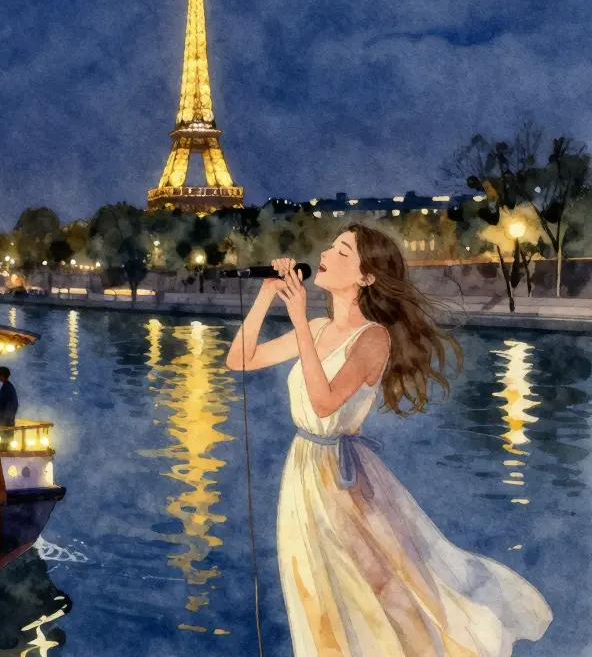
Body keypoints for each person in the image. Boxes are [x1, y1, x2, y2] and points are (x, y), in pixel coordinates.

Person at [224, 224, 552, 656]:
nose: (326, 251)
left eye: (343, 250)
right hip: (302, 473)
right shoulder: (320, 327)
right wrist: (267, 293)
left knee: (366, 592)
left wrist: (299, 319)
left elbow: (324, 404)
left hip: (340, 483)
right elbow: (239, 359)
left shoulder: (372, 338)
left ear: (366, 277)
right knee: (312, 589)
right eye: (333, 244)